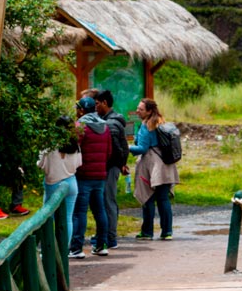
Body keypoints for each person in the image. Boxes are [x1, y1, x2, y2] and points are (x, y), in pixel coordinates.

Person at [129, 97, 179, 241]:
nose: (137, 111)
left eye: (141, 109)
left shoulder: (146, 126)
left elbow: (142, 148)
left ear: (149, 111)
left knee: (148, 198)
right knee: (163, 199)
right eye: (138, 108)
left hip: (151, 164)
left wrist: (127, 148)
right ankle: (167, 232)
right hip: (166, 164)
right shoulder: (162, 122)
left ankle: (147, 232)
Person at [70, 96, 112, 258]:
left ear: (81, 110)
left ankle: (76, 248)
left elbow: (73, 149)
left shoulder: (80, 127)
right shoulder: (105, 127)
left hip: (83, 175)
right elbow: (109, 152)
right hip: (100, 175)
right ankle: (101, 245)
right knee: (99, 211)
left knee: (79, 212)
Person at [37, 116, 80, 251]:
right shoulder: (75, 145)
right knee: (67, 219)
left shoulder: (49, 145)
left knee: (48, 218)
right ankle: (63, 249)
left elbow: (41, 164)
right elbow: (79, 164)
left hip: (53, 183)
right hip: (71, 182)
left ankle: (48, 250)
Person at [95, 89, 130, 250]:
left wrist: (119, 164)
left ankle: (110, 237)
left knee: (108, 201)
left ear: (104, 103)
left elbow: (118, 148)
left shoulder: (111, 124)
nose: (96, 107)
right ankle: (106, 234)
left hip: (110, 167)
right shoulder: (109, 120)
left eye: (97, 104)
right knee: (105, 201)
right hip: (112, 166)